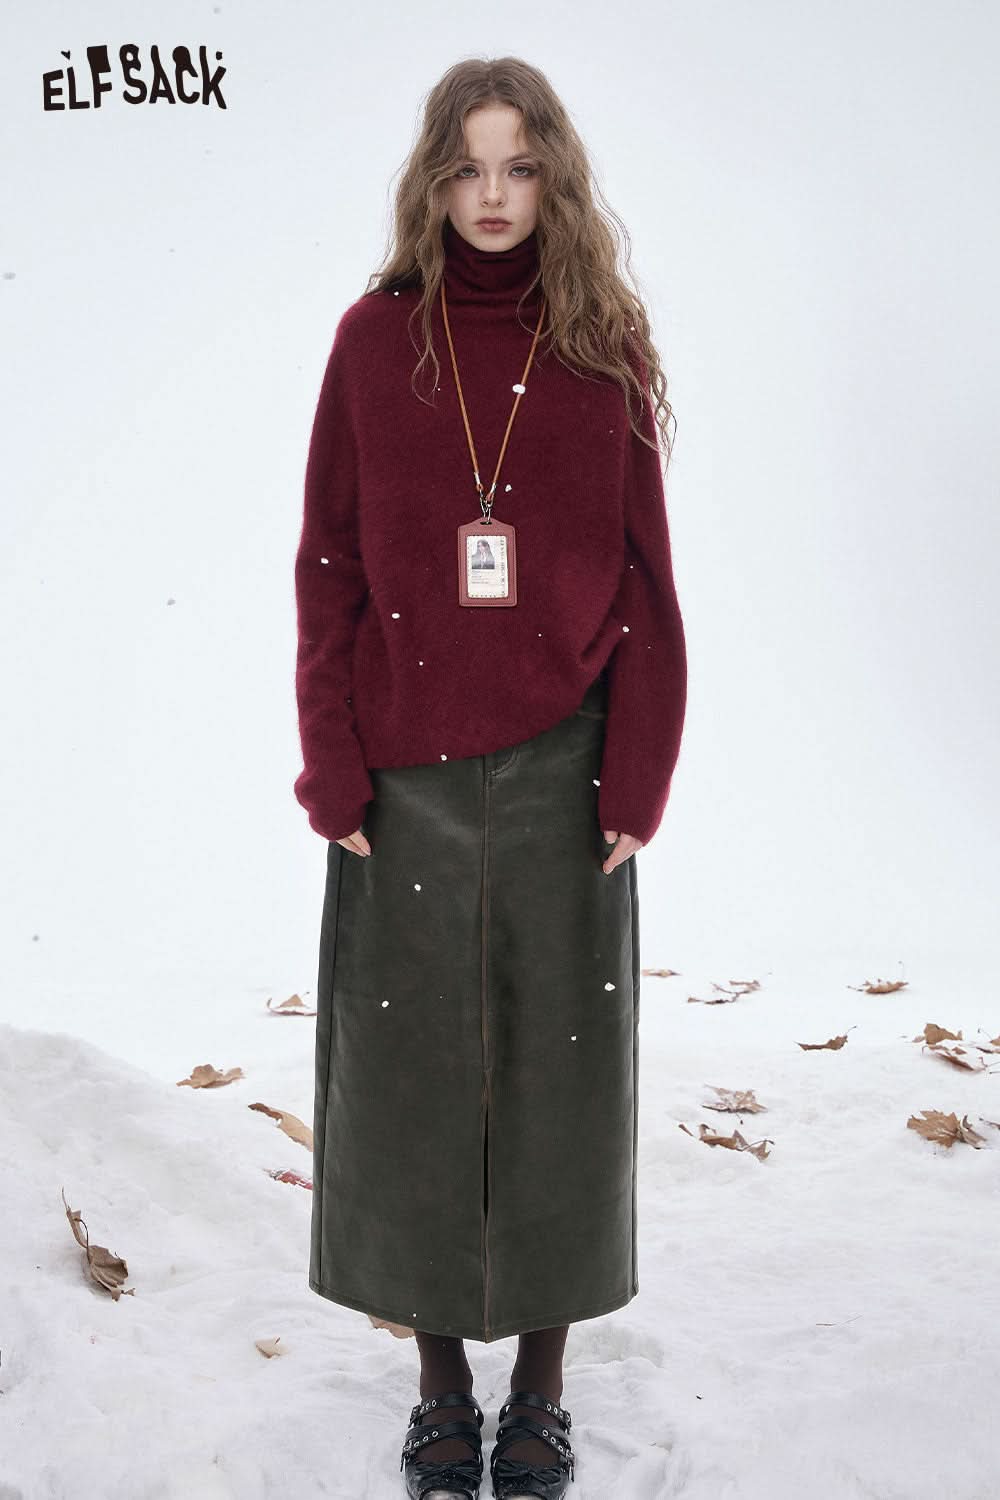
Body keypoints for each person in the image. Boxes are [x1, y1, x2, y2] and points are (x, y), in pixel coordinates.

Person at [293, 55, 687, 1500]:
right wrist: (334, 773)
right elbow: (328, 563)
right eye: (469, 168)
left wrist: (635, 780)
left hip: (567, 769)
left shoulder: (605, 348)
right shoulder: (369, 341)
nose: (495, 197)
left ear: (556, 178)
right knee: (409, 1087)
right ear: (432, 181)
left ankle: (542, 1388)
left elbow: (647, 580)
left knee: (558, 1085)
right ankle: (440, 1386)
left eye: (521, 168)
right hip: (400, 779)